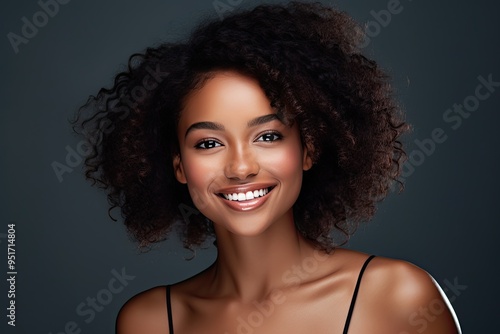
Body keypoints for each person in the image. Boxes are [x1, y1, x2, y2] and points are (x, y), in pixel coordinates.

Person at [75, 2, 461, 333]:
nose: (240, 167)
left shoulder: (396, 298)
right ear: (178, 165)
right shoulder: (151, 321)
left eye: (268, 136)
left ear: (308, 148)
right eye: (208, 143)